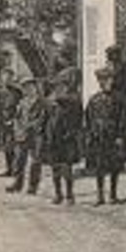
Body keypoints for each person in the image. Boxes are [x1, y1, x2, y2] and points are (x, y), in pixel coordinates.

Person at [84, 65, 126, 205]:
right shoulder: (93, 100)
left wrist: (120, 136)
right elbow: (88, 119)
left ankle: (113, 194)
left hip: (113, 136)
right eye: (103, 80)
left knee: (114, 166)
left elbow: (123, 119)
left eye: (108, 79)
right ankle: (100, 195)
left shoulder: (118, 99)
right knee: (99, 167)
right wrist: (89, 135)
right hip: (98, 137)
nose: (107, 82)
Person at [42, 74, 84, 205]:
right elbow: (45, 119)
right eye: (58, 86)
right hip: (53, 138)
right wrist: (45, 134)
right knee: (55, 168)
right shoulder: (50, 102)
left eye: (63, 86)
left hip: (67, 138)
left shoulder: (74, 101)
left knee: (67, 168)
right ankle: (58, 194)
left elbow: (78, 120)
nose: (60, 89)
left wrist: (72, 133)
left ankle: (70, 195)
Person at [6, 77, 46, 195]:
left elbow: (42, 118)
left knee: (35, 161)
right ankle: (17, 183)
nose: (28, 90)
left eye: (31, 87)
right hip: (22, 134)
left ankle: (33, 186)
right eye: (25, 88)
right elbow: (17, 117)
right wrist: (17, 129)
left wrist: (31, 125)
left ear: (35, 88)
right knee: (19, 160)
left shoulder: (42, 102)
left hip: (36, 134)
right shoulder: (22, 102)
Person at [0, 75, 21, 177]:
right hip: (3, 121)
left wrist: (14, 119)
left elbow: (19, 106)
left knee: (13, 146)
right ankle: (9, 168)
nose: (6, 82)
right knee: (6, 146)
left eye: (8, 79)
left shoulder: (17, 92)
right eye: (4, 79)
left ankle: (15, 170)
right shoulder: (0, 93)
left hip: (15, 122)